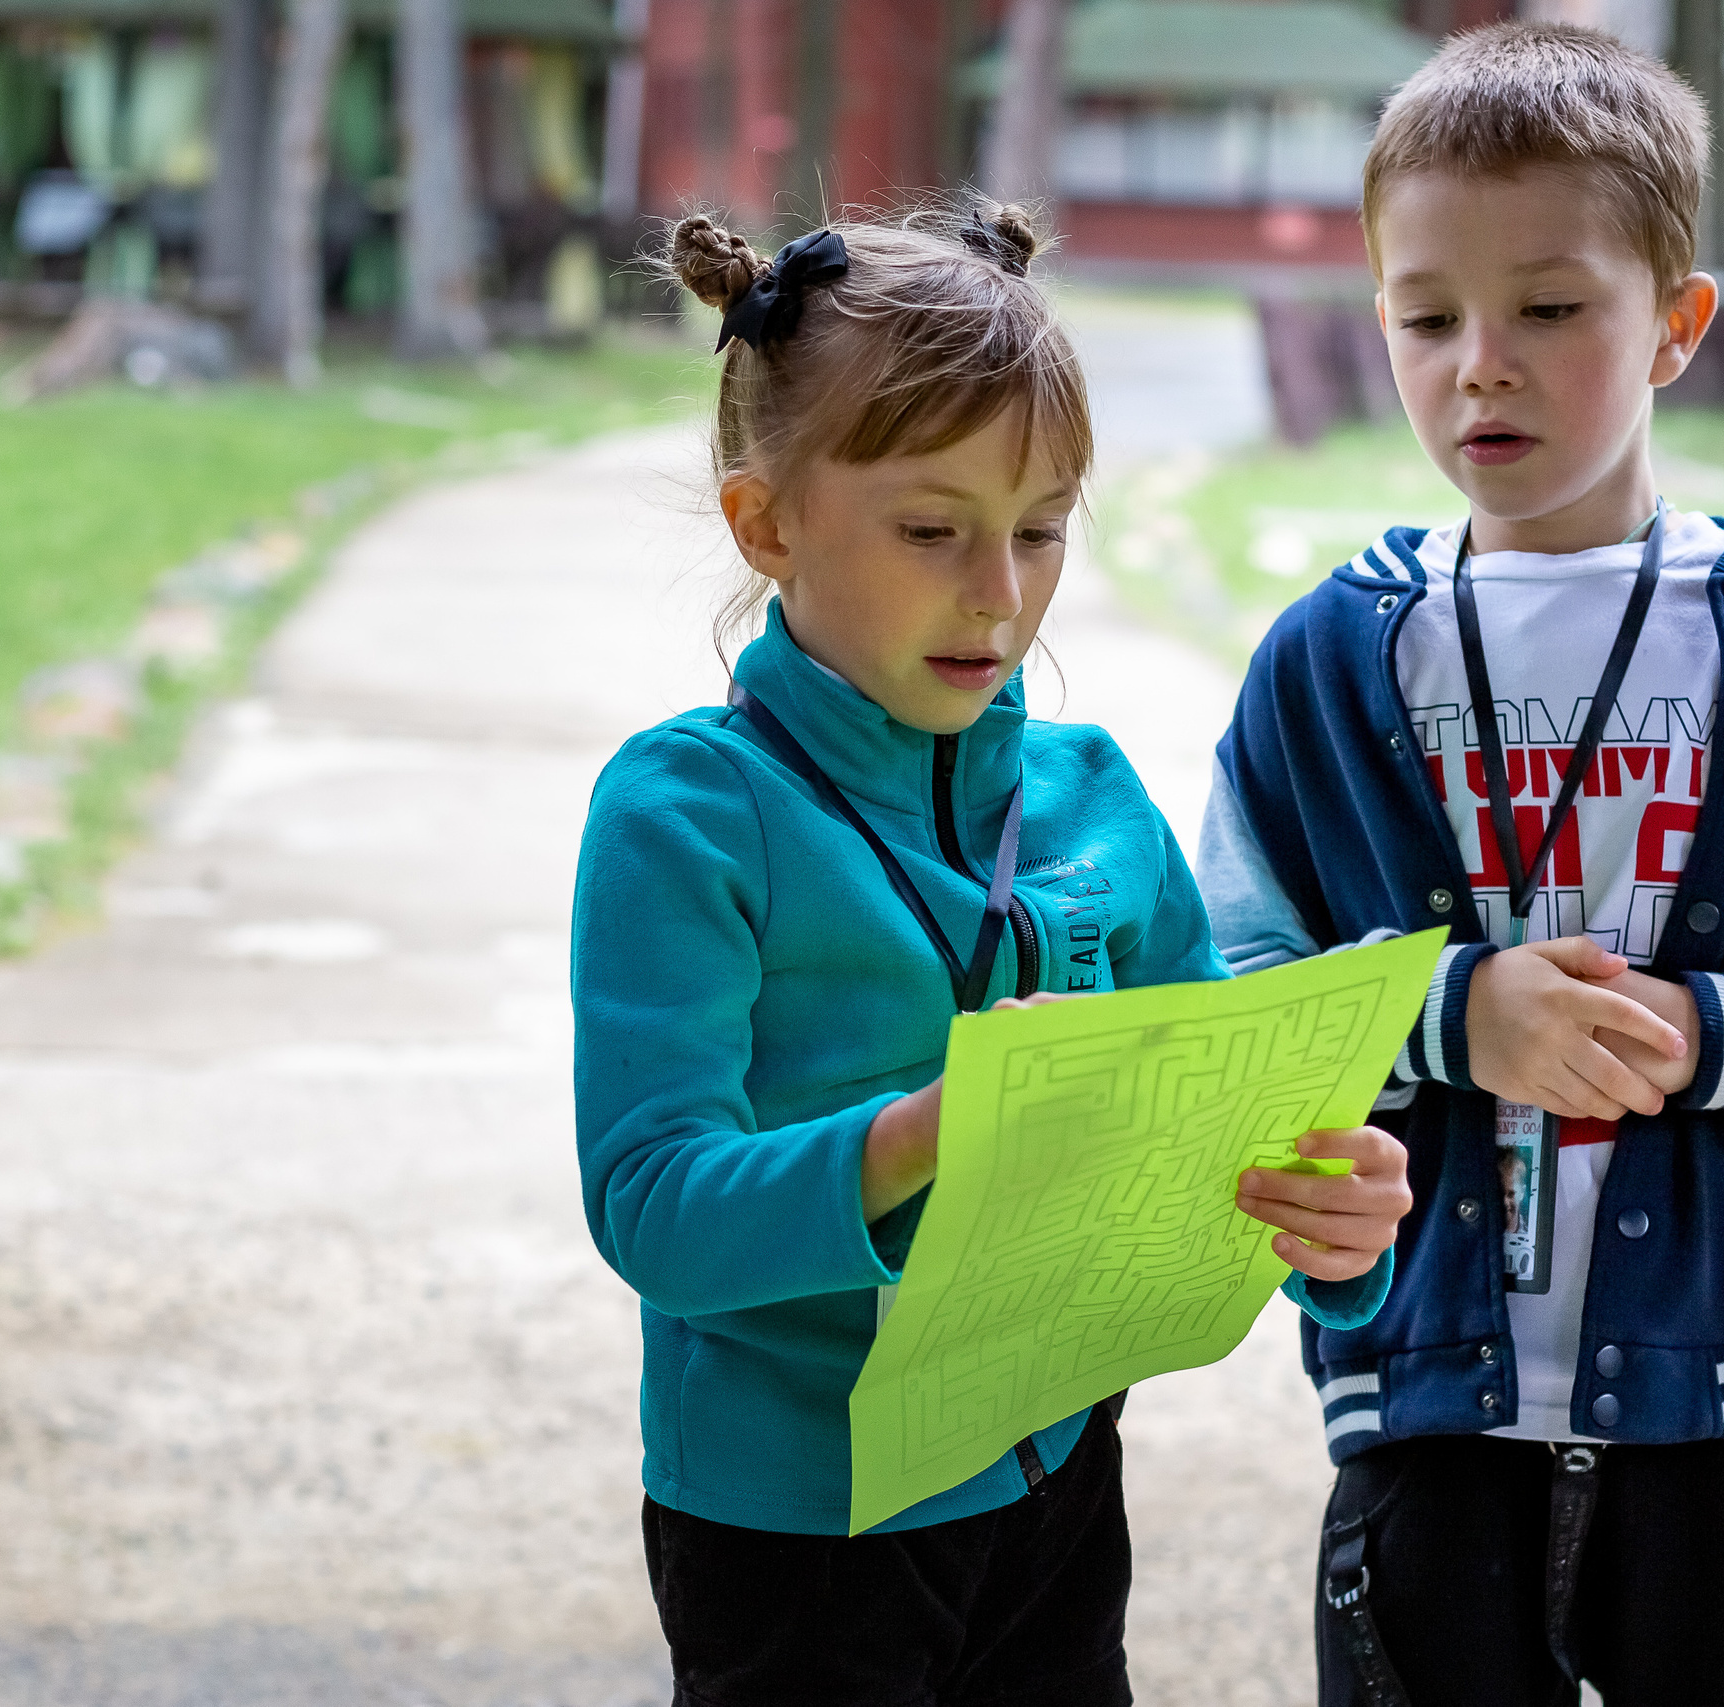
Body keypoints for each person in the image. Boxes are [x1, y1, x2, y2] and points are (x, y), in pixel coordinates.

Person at [1198, 25, 1724, 1707]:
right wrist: (1451, 1018)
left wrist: (1721, 1036)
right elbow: (1229, 984)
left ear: (1677, 322)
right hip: (1422, 1388)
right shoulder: (1327, 660)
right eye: (1427, 318)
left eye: (1552, 309)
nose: (1480, 366)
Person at [570, 200, 1414, 1707]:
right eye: (931, 529)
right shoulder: (686, 814)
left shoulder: (1098, 797)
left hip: (1056, 1472)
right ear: (766, 523)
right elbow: (653, 1209)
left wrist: (1332, 1228)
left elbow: (1211, 1133)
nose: (1000, 591)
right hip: (795, 1519)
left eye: (1038, 529)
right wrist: (920, 1137)